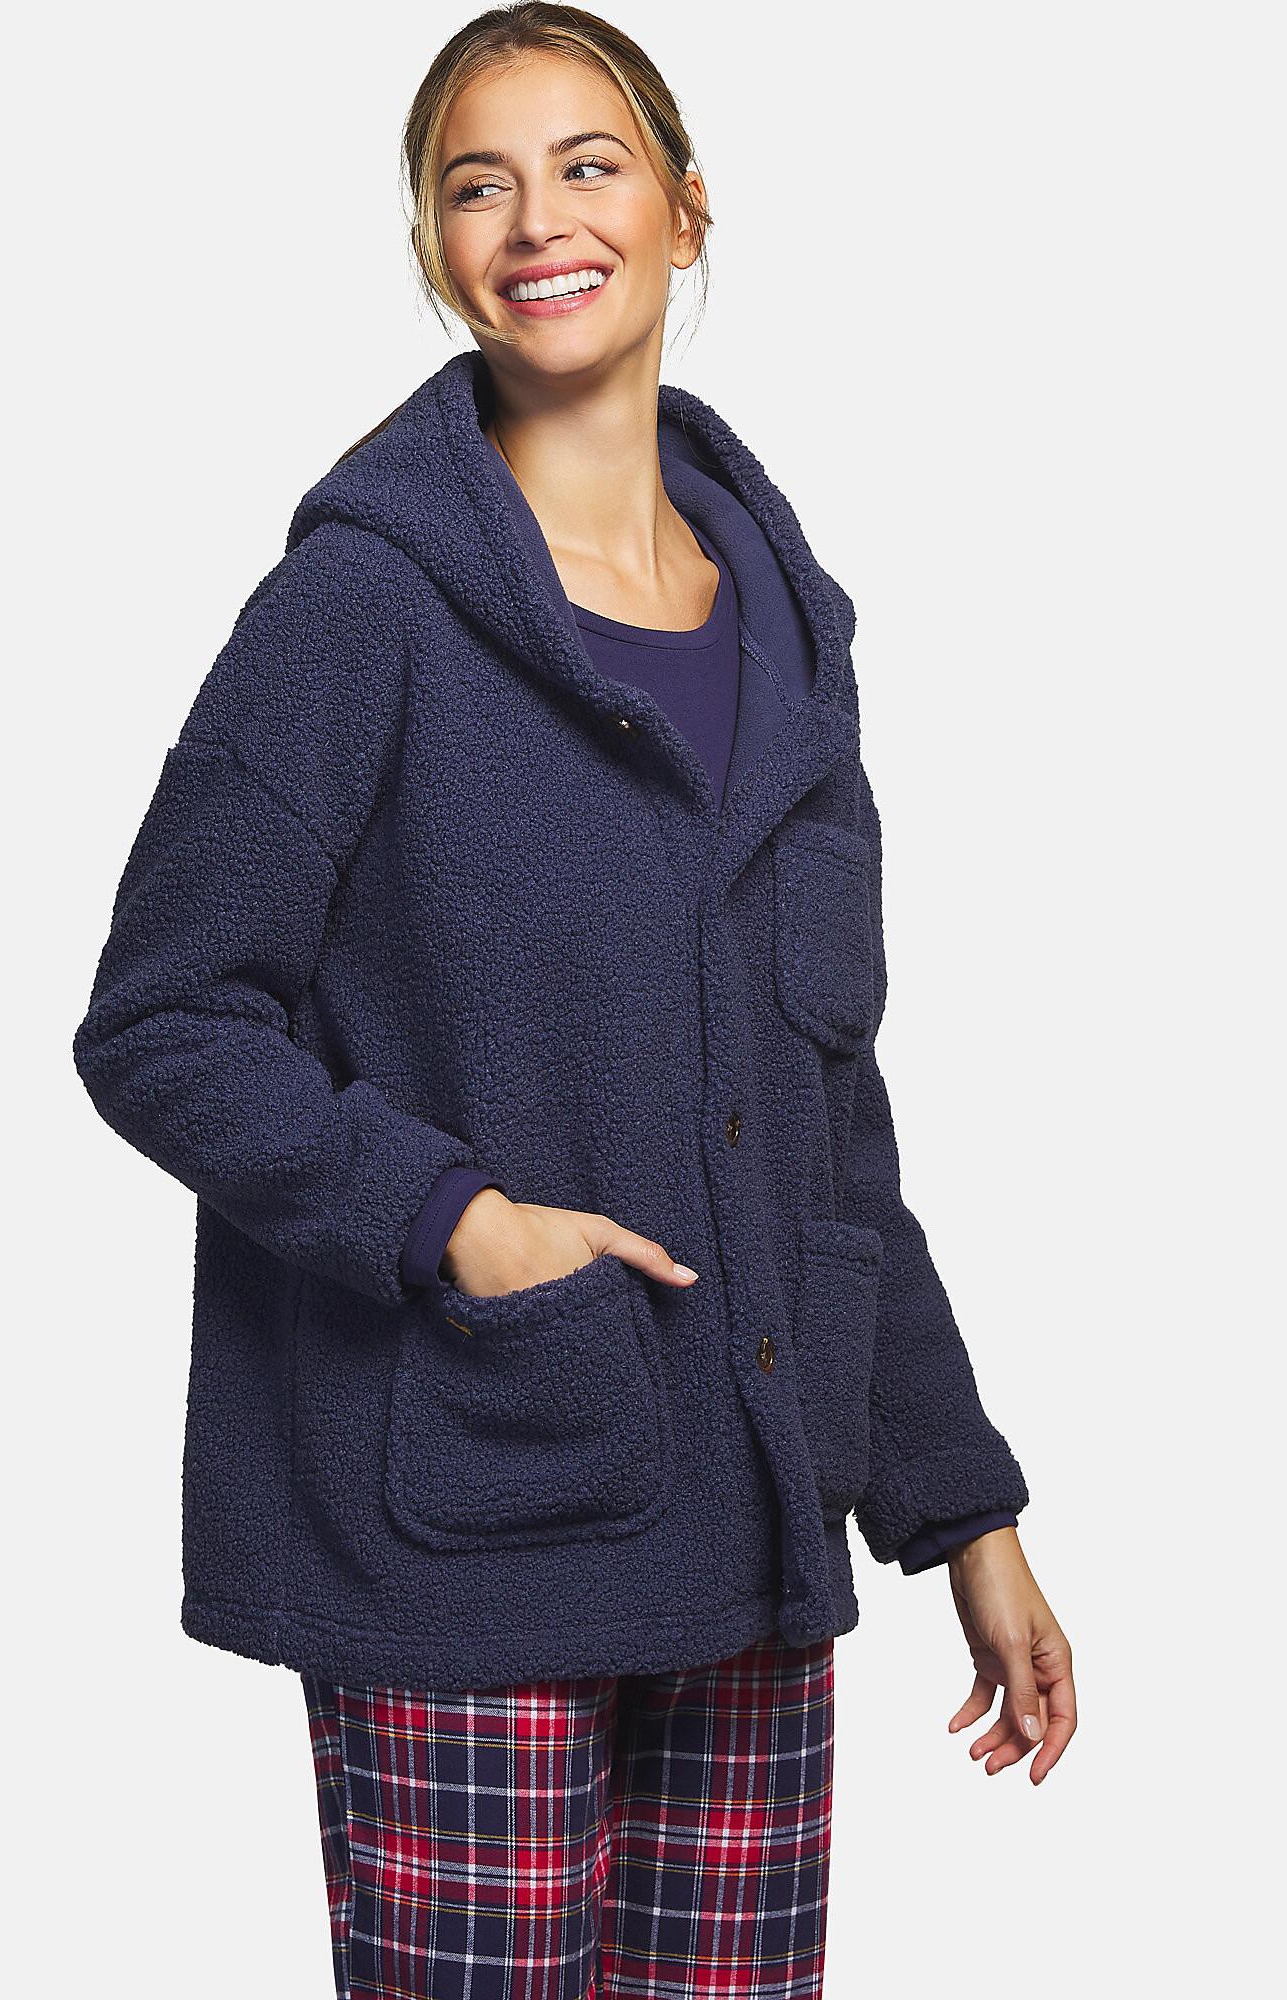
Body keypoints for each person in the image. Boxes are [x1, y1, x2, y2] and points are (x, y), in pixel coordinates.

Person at [72, 6, 1077, 1993]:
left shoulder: (790, 645)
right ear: (439, 245)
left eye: (588, 165)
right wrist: (457, 1220)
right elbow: (164, 1019)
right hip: (465, 1523)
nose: (538, 219)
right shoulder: (358, 606)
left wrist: (967, 1510)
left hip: (751, 1535)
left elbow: (829, 1127)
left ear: (687, 210)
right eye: (479, 183)